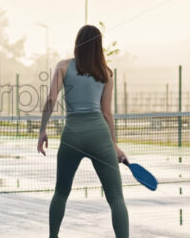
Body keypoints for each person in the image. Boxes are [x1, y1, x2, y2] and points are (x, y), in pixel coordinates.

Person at [37, 25, 129, 238]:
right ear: (99, 46)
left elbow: (51, 99)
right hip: (99, 135)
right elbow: (107, 114)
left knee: (61, 192)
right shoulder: (106, 73)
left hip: (72, 136)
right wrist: (114, 145)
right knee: (116, 198)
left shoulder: (62, 66)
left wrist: (42, 130)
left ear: (78, 43)